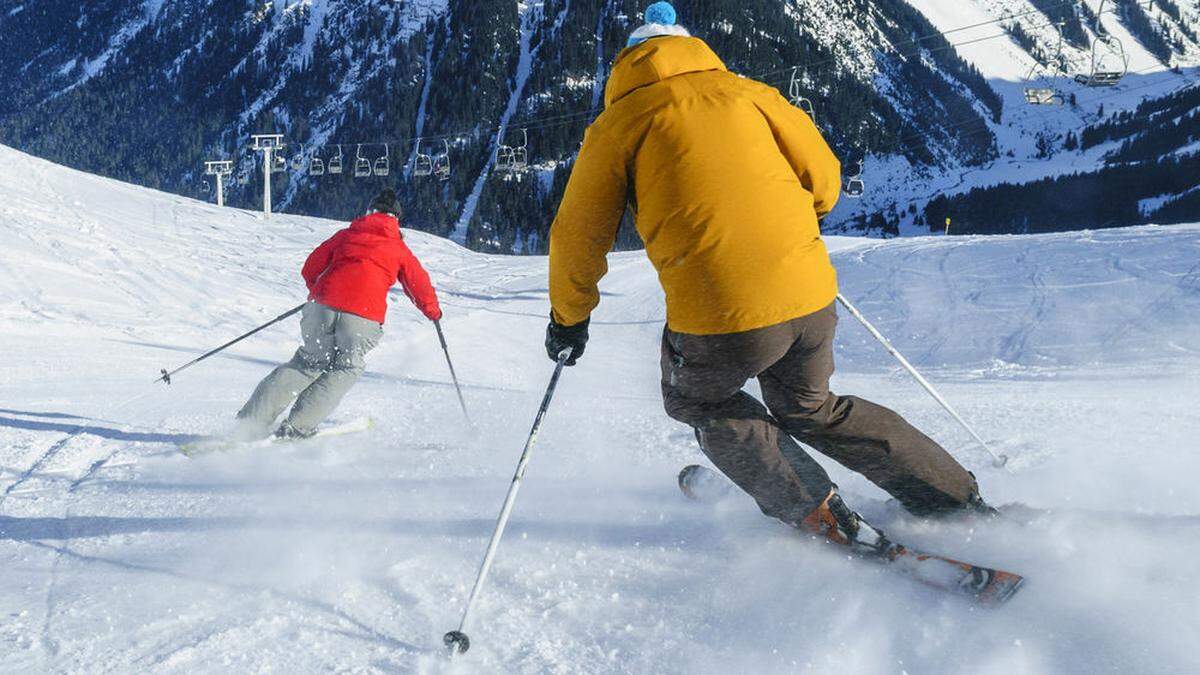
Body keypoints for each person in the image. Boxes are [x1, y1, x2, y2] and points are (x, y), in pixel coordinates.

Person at [544, 2, 993, 541]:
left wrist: (570, 319)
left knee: (698, 398)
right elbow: (824, 180)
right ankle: (951, 496)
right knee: (811, 407)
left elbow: (578, 235)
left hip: (721, 313)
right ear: (694, 51)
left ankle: (815, 509)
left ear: (627, 66)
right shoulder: (755, 95)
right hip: (809, 298)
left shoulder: (618, 125)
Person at [235, 189, 442, 439]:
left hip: (321, 310)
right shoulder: (398, 248)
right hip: (362, 318)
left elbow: (310, 268)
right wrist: (433, 312)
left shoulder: (345, 236)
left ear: (368, 212)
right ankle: (297, 428)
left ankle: (249, 423)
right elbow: (418, 285)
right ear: (396, 219)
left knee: (307, 362)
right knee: (346, 368)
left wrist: (321, 294)